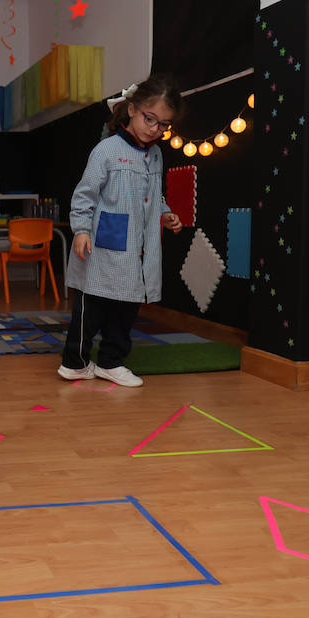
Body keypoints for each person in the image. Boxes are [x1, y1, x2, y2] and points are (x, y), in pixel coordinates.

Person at [59, 75, 185, 386]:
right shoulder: (106, 150)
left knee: (125, 308)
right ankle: (74, 362)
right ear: (131, 110)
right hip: (101, 247)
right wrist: (82, 230)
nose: (155, 129)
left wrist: (166, 214)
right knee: (91, 308)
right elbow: (84, 194)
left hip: (134, 249)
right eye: (150, 119)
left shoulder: (155, 155)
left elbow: (154, 195)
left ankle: (111, 362)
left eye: (163, 125)